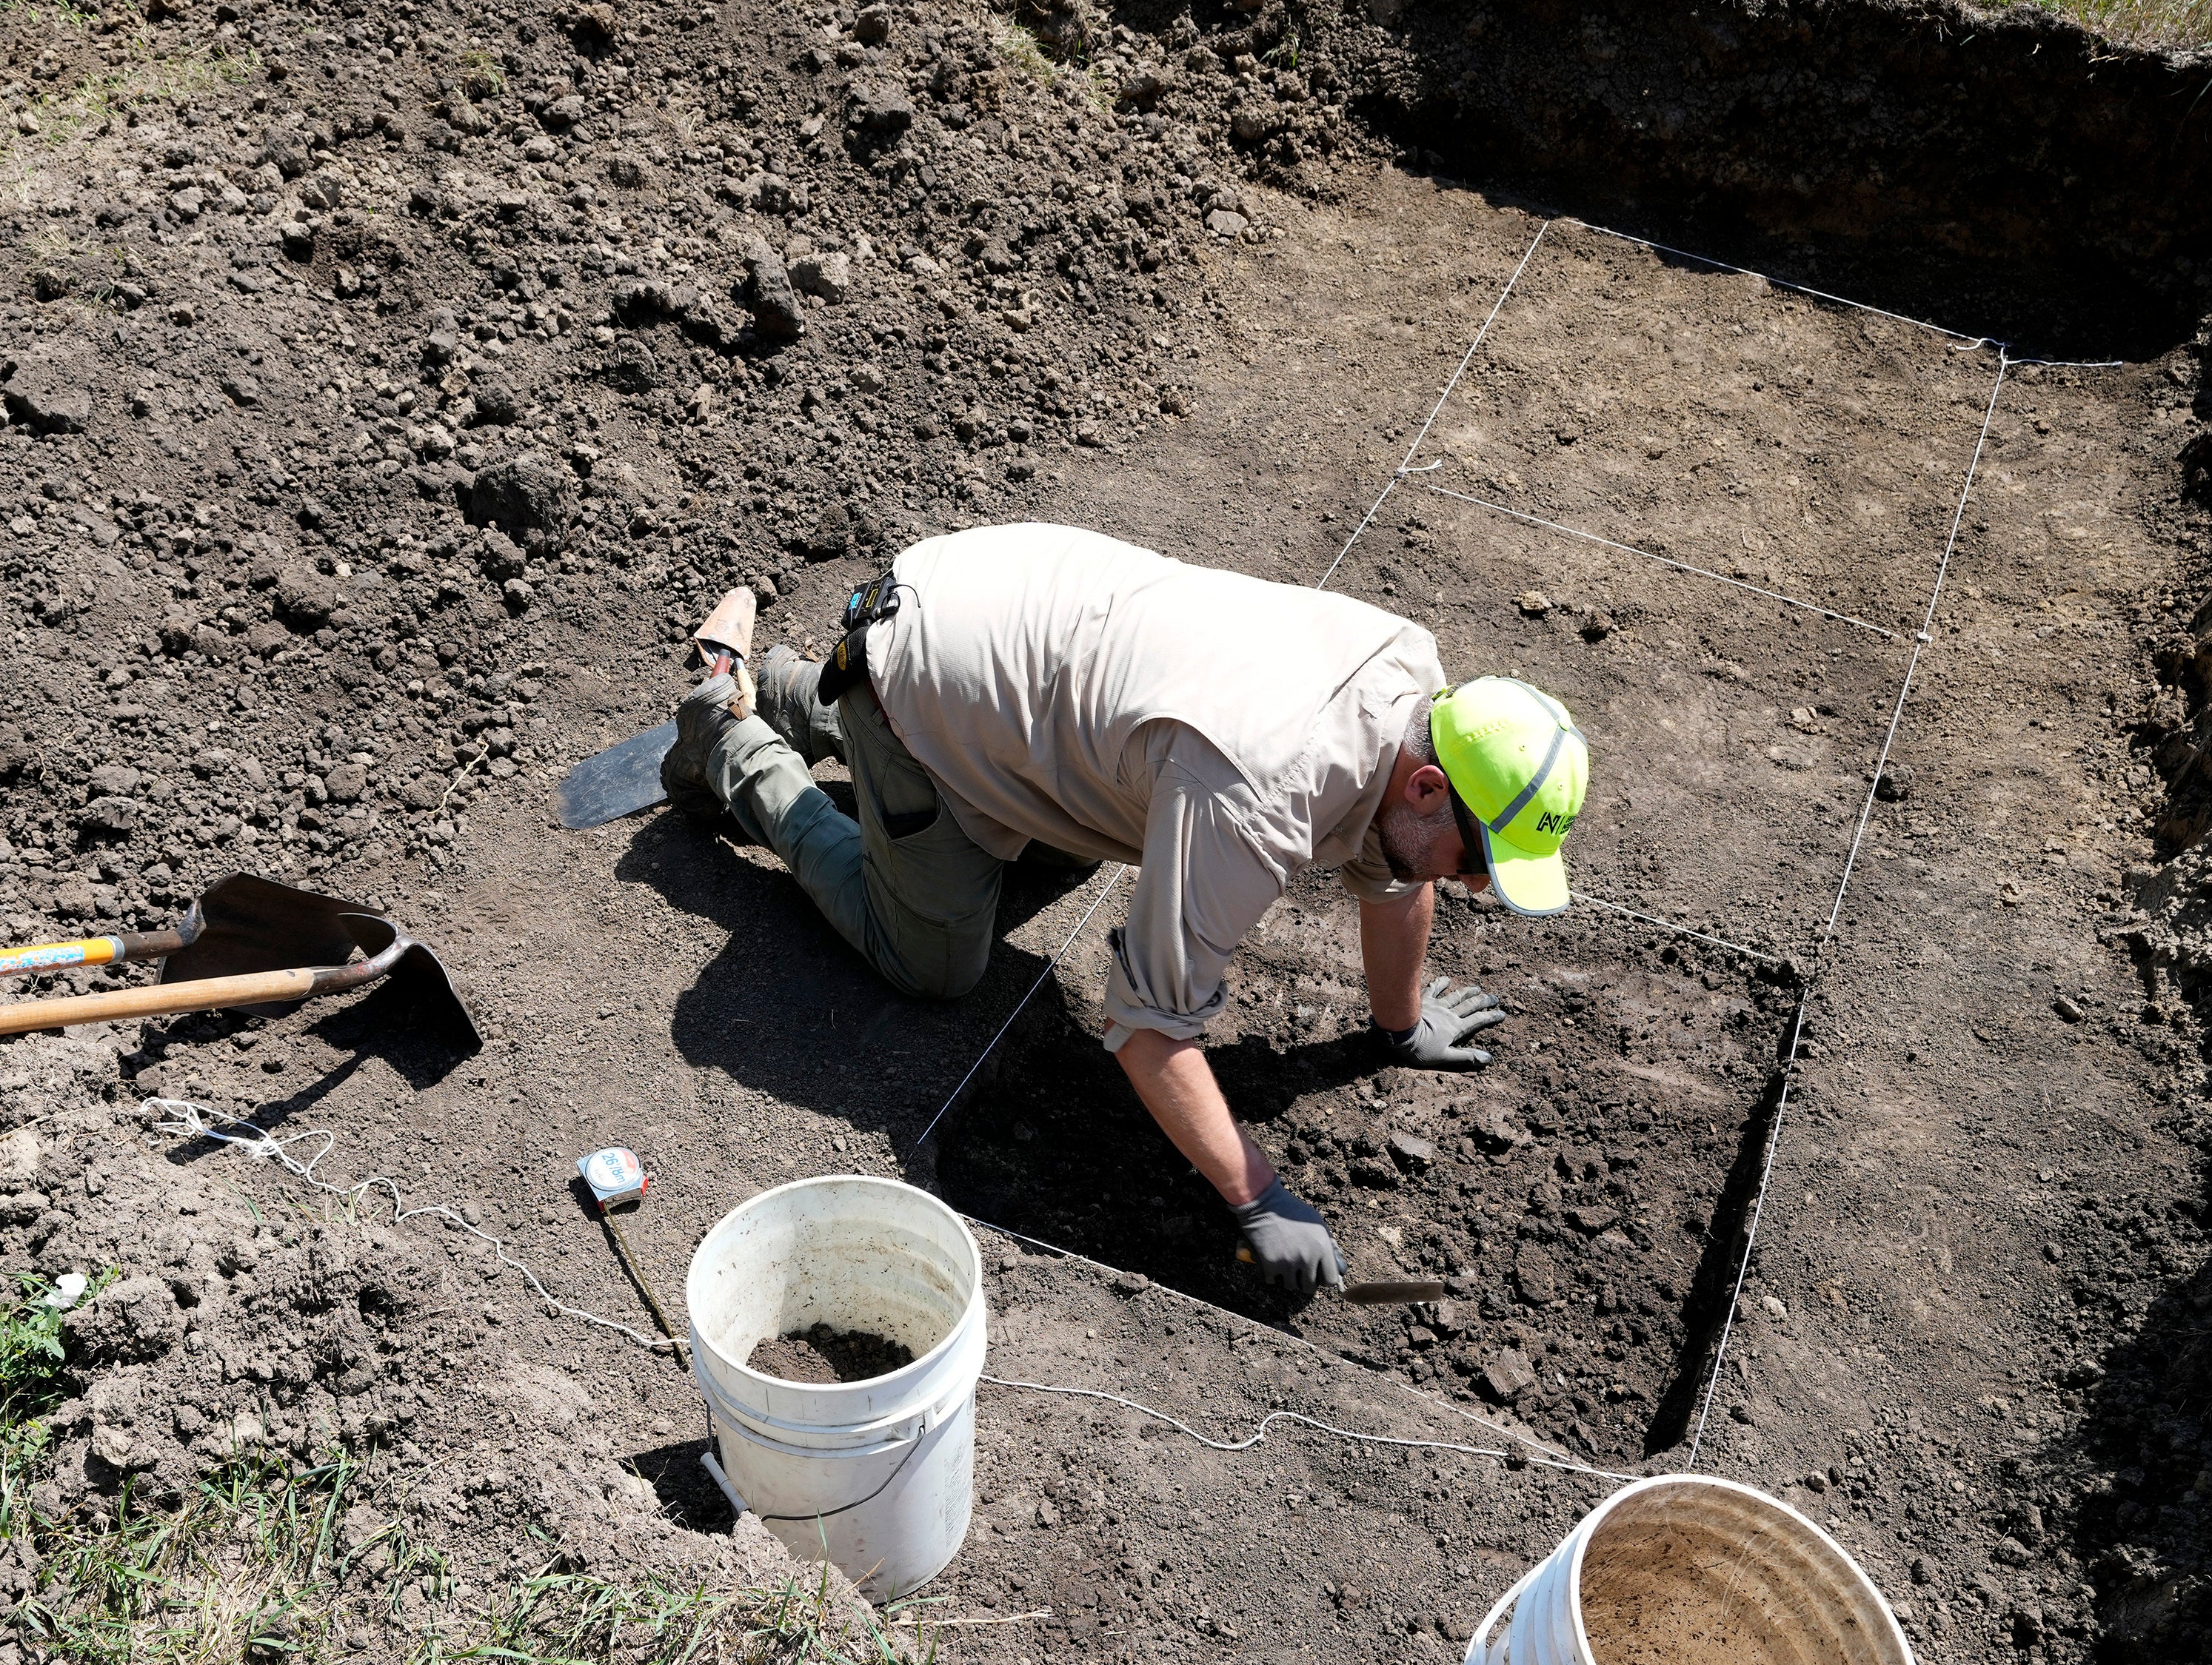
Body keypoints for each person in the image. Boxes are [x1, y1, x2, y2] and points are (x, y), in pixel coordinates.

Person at [661, 522, 1588, 1298]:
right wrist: (1256, 1194)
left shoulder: (1414, 693)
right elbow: (1146, 1032)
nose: (1475, 886)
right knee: (936, 964)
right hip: (930, 658)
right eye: (1480, 858)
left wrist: (1400, 1024)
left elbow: (1404, 873)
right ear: (1428, 787)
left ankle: (799, 686)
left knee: (1074, 840)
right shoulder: (1260, 791)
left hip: (1011, 623)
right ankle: (730, 731)